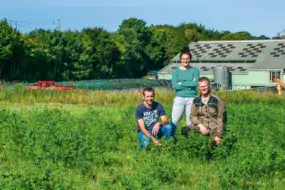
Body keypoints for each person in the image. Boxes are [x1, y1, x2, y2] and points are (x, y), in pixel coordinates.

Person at [181, 77, 227, 145]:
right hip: (201, 127)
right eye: (201, 86)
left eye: (205, 86)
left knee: (212, 147)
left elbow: (221, 118)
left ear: (209, 86)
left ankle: (211, 141)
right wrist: (200, 125)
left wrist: (219, 135)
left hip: (214, 128)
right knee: (185, 130)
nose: (203, 88)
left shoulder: (217, 100)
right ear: (199, 87)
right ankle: (193, 144)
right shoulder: (196, 100)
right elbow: (192, 116)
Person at [171, 45, 200, 134]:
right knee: (174, 121)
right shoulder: (176, 71)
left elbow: (195, 83)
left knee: (190, 122)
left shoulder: (195, 70)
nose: (185, 60)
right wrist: (189, 83)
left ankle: (188, 140)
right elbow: (175, 86)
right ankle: (171, 138)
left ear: (190, 59)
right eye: (183, 58)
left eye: (187, 58)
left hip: (192, 99)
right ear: (180, 59)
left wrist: (182, 83)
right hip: (179, 98)